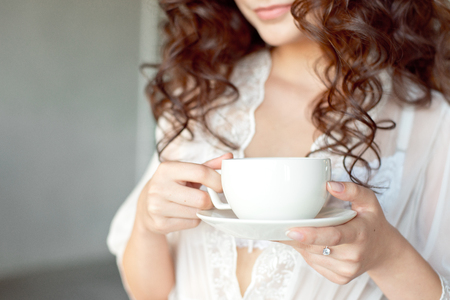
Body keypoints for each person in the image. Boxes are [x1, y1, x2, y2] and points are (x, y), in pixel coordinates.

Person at [107, 0, 450, 299]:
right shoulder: (200, 93)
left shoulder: (428, 119)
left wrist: (387, 255)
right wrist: (146, 224)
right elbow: (150, 294)